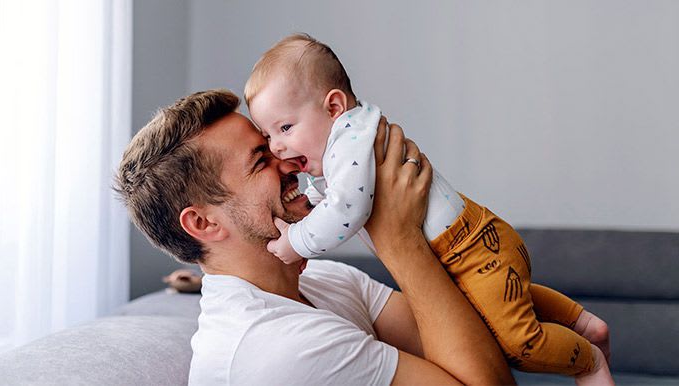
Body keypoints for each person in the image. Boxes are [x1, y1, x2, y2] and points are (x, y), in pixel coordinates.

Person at [244, 33, 613, 385]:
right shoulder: (346, 143)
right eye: (269, 136)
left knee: (520, 345)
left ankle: (588, 360)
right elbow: (339, 198)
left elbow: (347, 210)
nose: (277, 147)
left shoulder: (349, 141)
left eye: (285, 128)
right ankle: (580, 321)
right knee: (499, 305)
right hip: (471, 245)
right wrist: (312, 201)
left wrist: (297, 241)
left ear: (334, 106)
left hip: (468, 247)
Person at [114, 89, 515, 385]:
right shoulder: (279, 349)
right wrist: (397, 238)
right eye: (260, 160)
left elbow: (482, 343)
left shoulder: (324, 279)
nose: (288, 159)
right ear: (204, 224)